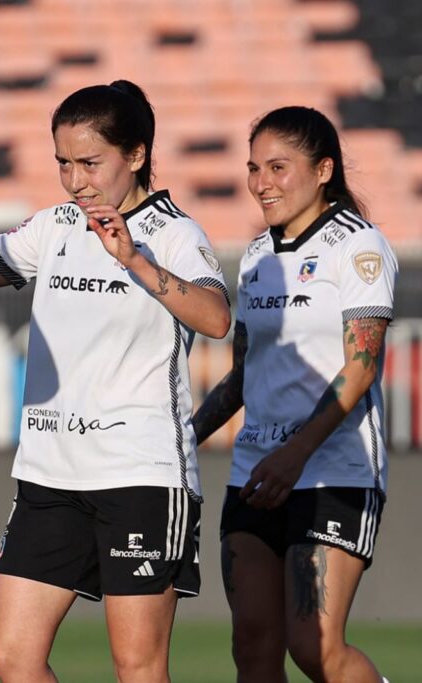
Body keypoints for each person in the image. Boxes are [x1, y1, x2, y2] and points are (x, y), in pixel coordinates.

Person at [0, 81, 231, 683]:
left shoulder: (173, 234)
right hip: (50, 474)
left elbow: (215, 318)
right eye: (62, 162)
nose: (75, 179)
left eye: (89, 162)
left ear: (135, 156)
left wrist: (134, 259)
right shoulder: (53, 226)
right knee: (13, 656)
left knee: (137, 667)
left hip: (139, 473)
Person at [193, 106, 397, 683]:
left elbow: (360, 370)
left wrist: (294, 455)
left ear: (324, 168)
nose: (261, 183)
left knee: (315, 649)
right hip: (256, 473)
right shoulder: (258, 257)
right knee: (254, 646)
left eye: (278, 167)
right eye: (254, 167)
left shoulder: (359, 247)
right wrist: (182, 436)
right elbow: (242, 375)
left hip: (335, 471)